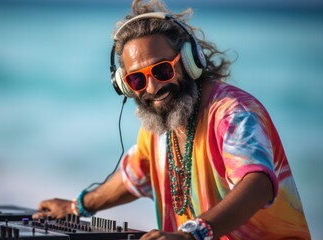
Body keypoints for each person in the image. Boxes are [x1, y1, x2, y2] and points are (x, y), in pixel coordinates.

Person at [33, 0, 311, 239]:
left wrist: (193, 233)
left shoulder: (232, 112)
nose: (152, 88)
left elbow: (258, 183)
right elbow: (133, 178)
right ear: (125, 85)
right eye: (137, 79)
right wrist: (75, 208)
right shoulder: (157, 131)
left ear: (191, 61)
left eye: (163, 70)